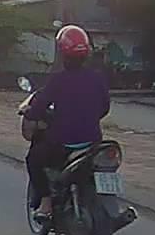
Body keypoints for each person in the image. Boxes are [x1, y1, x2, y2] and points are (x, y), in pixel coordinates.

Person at [24, 25, 110, 221]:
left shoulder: (58, 80)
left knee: (33, 159)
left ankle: (46, 203)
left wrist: (30, 112)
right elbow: (105, 107)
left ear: (63, 54)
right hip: (92, 142)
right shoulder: (97, 78)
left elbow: (39, 107)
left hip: (63, 145)